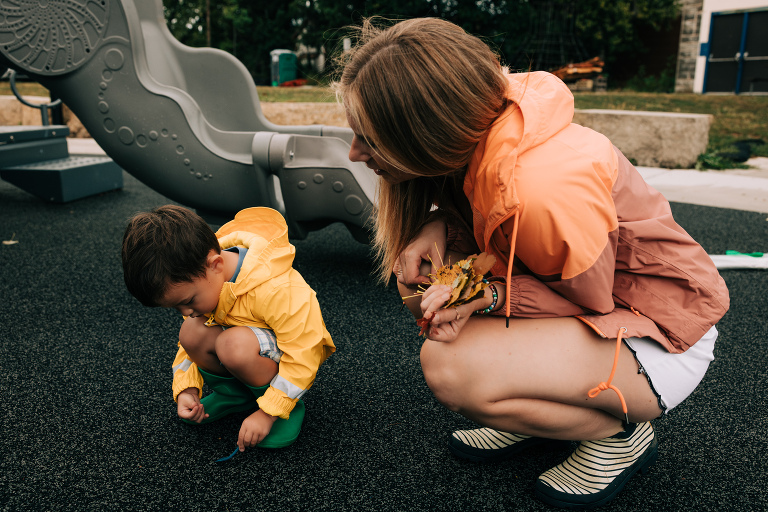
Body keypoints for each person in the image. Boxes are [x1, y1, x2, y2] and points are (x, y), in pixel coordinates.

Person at [333, 17, 729, 509]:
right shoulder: (478, 130)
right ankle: (535, 408)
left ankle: (619, 435)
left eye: (368, 139)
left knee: (451, 369)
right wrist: (437, 225)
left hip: (662, 334)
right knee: (422, 280)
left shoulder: (543, 191)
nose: (355, 153)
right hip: (606, 311)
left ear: (427, 133)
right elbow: (483, 217)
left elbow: (593, 301)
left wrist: (491, 294)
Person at [121, 205, 335, 452]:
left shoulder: (277, 288)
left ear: (216, 264)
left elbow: (304, 353)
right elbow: (188, 347)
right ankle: (236, 394)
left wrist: (268, 413)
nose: (185, 312)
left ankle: (285, 407)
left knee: (233, 345)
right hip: (246, 346)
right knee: (191, 331)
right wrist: (186, 389)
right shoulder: (203, 278)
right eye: (175, 308)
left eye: (188, 302)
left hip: (291, 362)